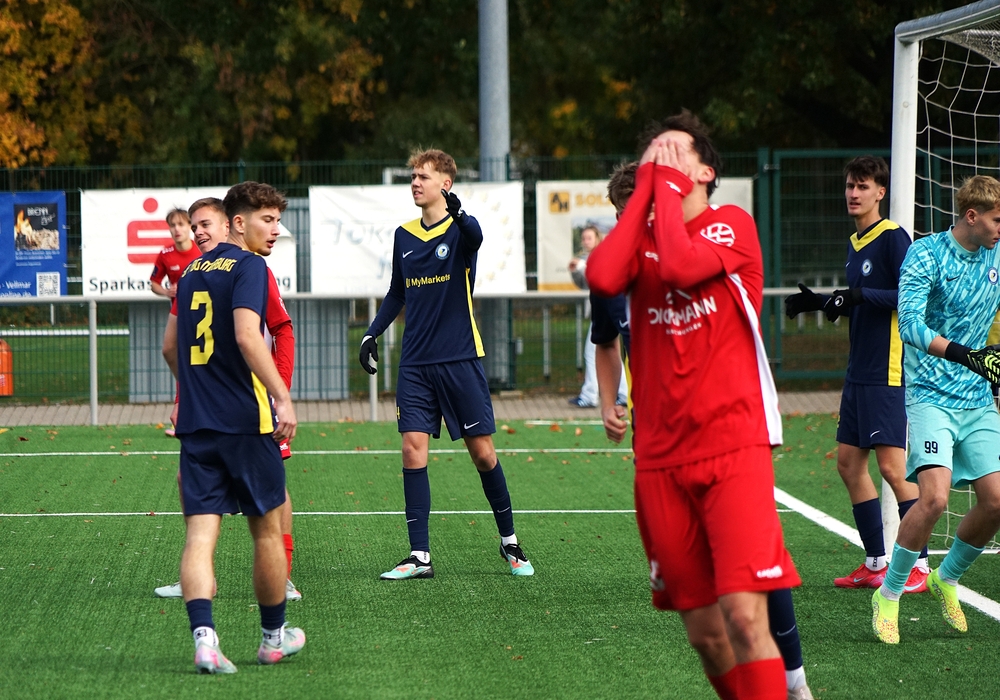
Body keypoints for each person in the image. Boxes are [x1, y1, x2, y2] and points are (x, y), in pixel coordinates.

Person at [587, 112, 798, 699]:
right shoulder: (639, 242)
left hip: (733, 445)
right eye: (653, 152)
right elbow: (602, 277)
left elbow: (681, 266)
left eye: (675, 150)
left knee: (744, 617)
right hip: (659, 458)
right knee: (705, 635)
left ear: (705, 171)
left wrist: (663, 186)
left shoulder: (730, 224)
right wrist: (644, 196)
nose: (662, 157)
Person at [359, 148, 533, 580]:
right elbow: (397, 292)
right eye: (413, 176)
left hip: (459, 358)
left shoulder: (460, 229)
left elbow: (476, 236)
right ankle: (419, 556)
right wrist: (371, 333)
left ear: (445, 183)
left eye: (424, 176)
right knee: (412, 449)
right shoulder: (403, 235)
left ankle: (509, 541)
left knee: (483, 454)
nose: (415, 182)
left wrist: (459, 213)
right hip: (416, 363)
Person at [165, 181, 304, 672]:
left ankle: (205, 641)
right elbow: (248, 336)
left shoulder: (190, 271)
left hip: (197, 426)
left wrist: (192, 393)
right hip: (246, 423)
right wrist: (282, 396)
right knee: (266, 533)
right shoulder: (250, 267)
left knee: (200, 536)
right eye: (268, 220)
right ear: (239, 223)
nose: (276, 229)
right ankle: (272, 639)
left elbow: (169, 347)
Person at [784, 156, 928, 593]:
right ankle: (876, 562)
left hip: (886, 369)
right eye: (850, 185)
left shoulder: (893, 237)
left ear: (880, 192)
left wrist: (859, 295)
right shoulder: (856, 241)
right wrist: (822, 301)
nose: (853, 193)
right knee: (849, 464)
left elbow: (908, 296)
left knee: (893, 469)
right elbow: (859, 300)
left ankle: (919, 566)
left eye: (862, 186)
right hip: (858, 371)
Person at [871, 175, 1000, 644]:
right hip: (929, 395)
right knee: (934, 499)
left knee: (997, 500)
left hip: (977, 399)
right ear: (972, 216)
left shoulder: (997, 255)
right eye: (997, 220)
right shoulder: (925, 254)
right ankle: (888, 593)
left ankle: (947, 577)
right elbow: (909, 325)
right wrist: (967, 355)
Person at [152, 208, 201, 437]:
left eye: (181, 224)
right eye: (172, 225)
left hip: (201, 312)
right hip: (178, 311)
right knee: (171, 352)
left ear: (190, 227)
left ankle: (191, 415)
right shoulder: (165, 254)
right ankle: (187, 403)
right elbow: (154, 283)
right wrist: (166, 292)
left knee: (197, 361)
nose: (177, 229)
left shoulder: (201, 250)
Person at [568, 225, 628, 408]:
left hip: (613, 311)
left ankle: (590, 395)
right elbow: (586, 283)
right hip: (603, 312)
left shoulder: (602, 255)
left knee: (595, 351)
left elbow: (600, 276)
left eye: (589, 238)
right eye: (584, 238)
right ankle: (622, 393)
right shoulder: (588, 258)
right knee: (609, 350)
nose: (586, 242)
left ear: (597, 238)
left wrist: (581, 267)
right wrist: (576, 271)